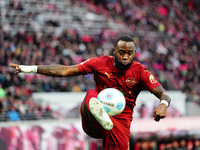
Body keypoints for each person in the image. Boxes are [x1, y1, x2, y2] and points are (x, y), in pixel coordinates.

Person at [9, 35, 171, 150]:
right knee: (91, 94)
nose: (126, 56)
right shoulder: (99, 63)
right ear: (114, 51)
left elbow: (164, 94)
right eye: (122, 52)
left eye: (130, 53)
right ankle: (96, 110)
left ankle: (106, 120)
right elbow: (65, 70)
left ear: (134, 53)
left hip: (119, 123)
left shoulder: (140, 72)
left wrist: (163, 105)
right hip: (94, 120)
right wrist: (28, 68)